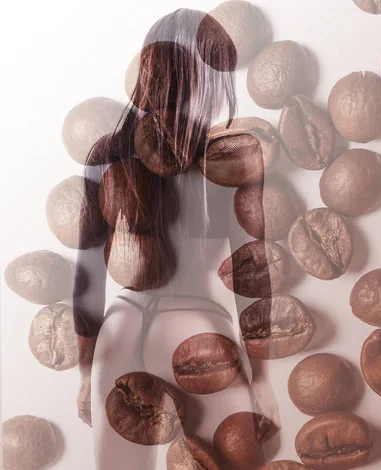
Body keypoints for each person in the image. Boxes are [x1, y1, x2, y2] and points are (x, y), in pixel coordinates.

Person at [71, 8, 278, 469]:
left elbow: (87, 274)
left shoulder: (105, 153)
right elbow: (252, 273)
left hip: (119, 329)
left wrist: (87, 372)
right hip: (200, 333)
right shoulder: (236, 156)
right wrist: (262, 379)